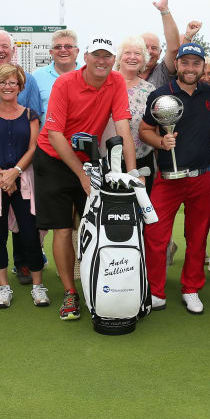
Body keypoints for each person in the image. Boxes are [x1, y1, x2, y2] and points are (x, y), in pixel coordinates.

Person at [35, 35, 137, 321]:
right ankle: (70, 293)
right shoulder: (65, 83)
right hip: (53, 159)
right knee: (63, 228)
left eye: (107, 56)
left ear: (112, 60)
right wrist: (80, 175)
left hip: (89, 159)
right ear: (86, 58)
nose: (102, 61)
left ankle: (98, 284)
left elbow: (123, 128)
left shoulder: (115, 81)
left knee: (94, 225)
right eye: (97, 56)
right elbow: (54, 134)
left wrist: (131, 174)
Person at [140, 42, 210, 314]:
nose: (190, 68)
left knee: (197, 236)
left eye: (196, 63)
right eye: (185, 62)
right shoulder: (161, 93)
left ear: (203, 67)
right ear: (177, 64)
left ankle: (191, 288)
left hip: (203, 176)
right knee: (154, 234)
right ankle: (155, 291)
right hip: (168, 178)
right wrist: (160, 142)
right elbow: (144, 130)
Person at [0, 63, 46, 309]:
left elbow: (33, 147)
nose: (8, 86)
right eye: (3, 82)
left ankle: (37, 286)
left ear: (20, 86)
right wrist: (3, 177)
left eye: (13, 82)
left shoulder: (30, 115)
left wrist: (15, 173)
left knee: (29, 234)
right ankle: (3, 287)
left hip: (23, 180)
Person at [103, 36, 157, 196]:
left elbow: (154, 127)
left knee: (140, 214)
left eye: (138, 53)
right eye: (128, 53)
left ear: (144, 59)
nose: (132, 57)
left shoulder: (150, 90)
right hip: (108, 160)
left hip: (142, 160)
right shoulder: (104, 83)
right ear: (119, 57)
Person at [35, 29, 84, 119]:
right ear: (51, 52)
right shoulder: (37, 76)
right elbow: (32, 114)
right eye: (58, 47)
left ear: (77, 51)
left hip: (79, 133)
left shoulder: (87, 75)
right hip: (46, 133)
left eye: (68, 46)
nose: (63, 50)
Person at [140, 0, 181, 89]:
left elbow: (174, 48)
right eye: (145, 47)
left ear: (160, 53)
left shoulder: (163, 71)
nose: (149, 51)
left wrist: (164, 10)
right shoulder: (125, 72)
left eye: (154, 48)